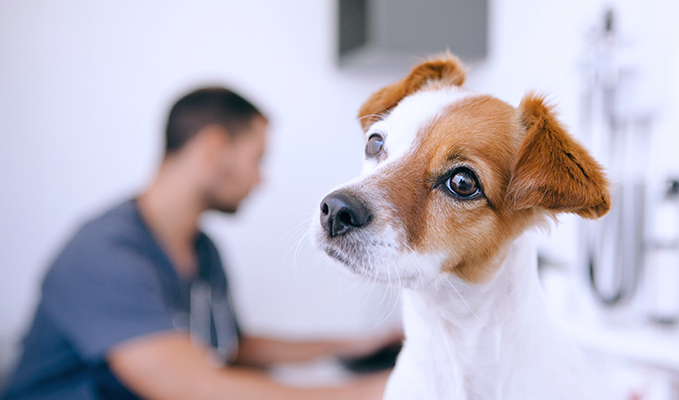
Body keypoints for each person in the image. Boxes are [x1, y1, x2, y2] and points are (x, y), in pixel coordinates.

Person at [1, 87, 396, 400]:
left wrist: (355, 344)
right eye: (257, 159)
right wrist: (376, 392)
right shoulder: (105, 253)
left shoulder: (203, 251)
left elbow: (230, 346)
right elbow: (195, 387)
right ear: (213, 149)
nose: (261, 180)